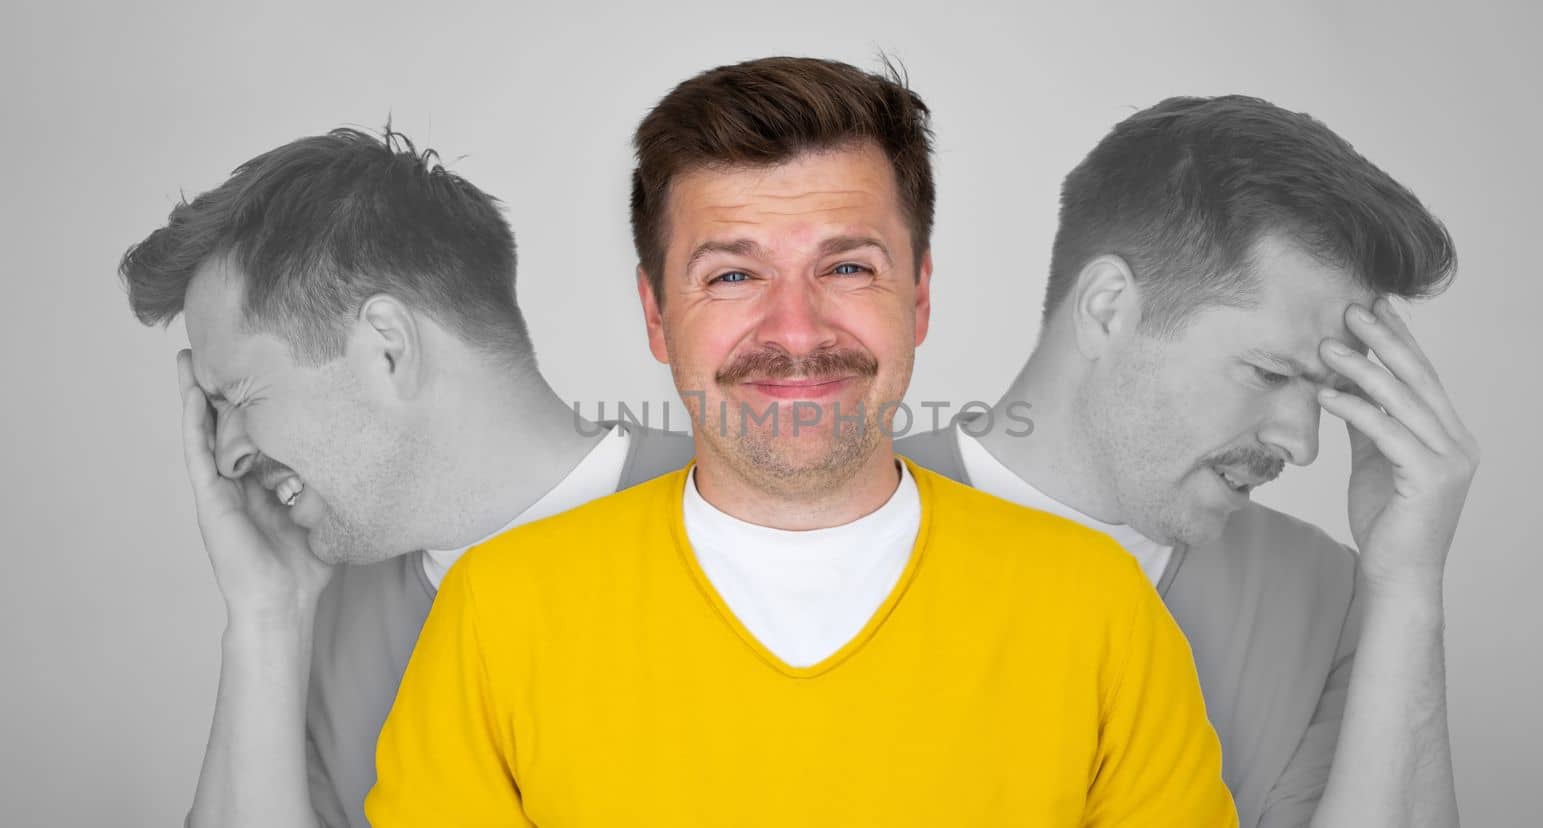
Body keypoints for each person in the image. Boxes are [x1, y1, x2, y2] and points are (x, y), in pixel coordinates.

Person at [366, 57, 1236, 827]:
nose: (796, 328)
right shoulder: (497, 613)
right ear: (656, 315)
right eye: (733, 275)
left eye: (848, 266)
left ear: (919, 296)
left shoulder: (1098, 608)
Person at [898, 95, 1477, 828]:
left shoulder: (1329, 597)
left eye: (1328, 393)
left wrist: (1410, 586)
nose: (1303, 444)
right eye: (1269, 373)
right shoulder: (824, 518)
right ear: (1109, 308)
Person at [117, 128, 692, 828]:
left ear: (386, 348)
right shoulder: (323, 604)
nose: (226, 454)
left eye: (238, 397)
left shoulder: (741, 517)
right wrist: (270, 616)